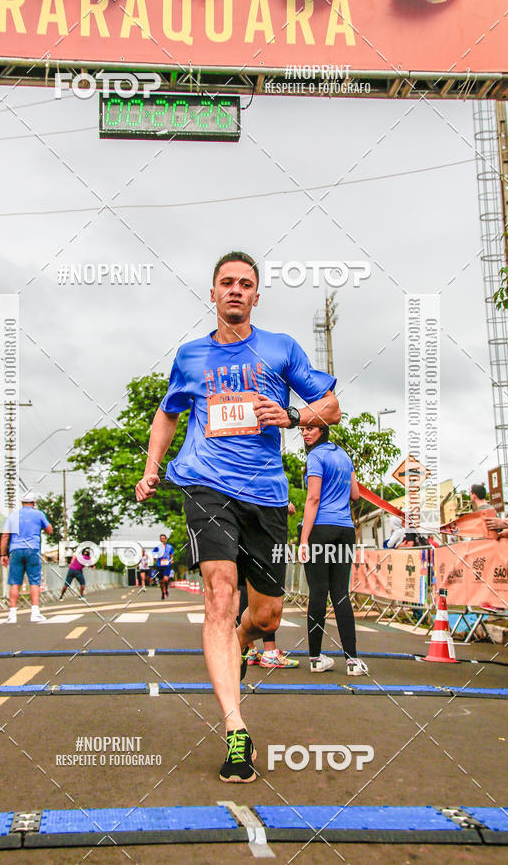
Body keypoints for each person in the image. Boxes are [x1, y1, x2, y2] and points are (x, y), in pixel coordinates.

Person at [135, 251, 340, 782]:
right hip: (206, 484)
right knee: (219, 592)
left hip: (266, 493)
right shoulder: (190, 357)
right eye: (225, 282)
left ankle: (244, 640)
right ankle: (235, 729)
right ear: (212, 293)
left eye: (245, 284)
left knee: (267, 615)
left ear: (255, 296)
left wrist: (295, 415)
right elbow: (167, 412)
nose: (235, 290)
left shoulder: (280, 349)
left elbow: (331, 406)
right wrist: (153, 466)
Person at [298, 424, 367, 677]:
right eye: (303, 429)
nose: (305, 433)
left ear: (322, 431)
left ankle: (316, 658)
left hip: (321, 529)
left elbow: (313, 498)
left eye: (311, 429)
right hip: (345, 530)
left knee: (318, 592)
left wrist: (304, 538)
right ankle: (352, 661)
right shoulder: (344, 456)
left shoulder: (315, 456)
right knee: (340, 594)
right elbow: (356, 494)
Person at [241, 502, 299, 669]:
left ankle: (250, 648)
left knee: (245, 585)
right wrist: (281, 506)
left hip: (243, 522)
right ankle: (269, 652)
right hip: (260, 525)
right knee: (266, 586)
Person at [1, 490, 53, 623]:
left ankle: (12, 615)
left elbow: (5, 535)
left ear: (22, 502)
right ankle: (35, 612)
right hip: (32, 549)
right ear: (34, 503)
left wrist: (3, 554)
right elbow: (50, 530)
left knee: (15, 582)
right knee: (34, 581)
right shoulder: (39, 514)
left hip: (16, 550)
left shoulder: (13, 516)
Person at [152, 533, 174, 599]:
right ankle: (162, 592)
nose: (162, 539)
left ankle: (166, 589)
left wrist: (172, 560)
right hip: (159, 565)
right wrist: (156, 559)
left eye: (163, 538)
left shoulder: (170, 547)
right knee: (161, 581)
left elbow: (171, 554)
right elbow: (154, 555)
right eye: (161, 538)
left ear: (166, 539)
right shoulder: (157, 547)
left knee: (166, 579)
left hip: (167, 565)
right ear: (160, 539)